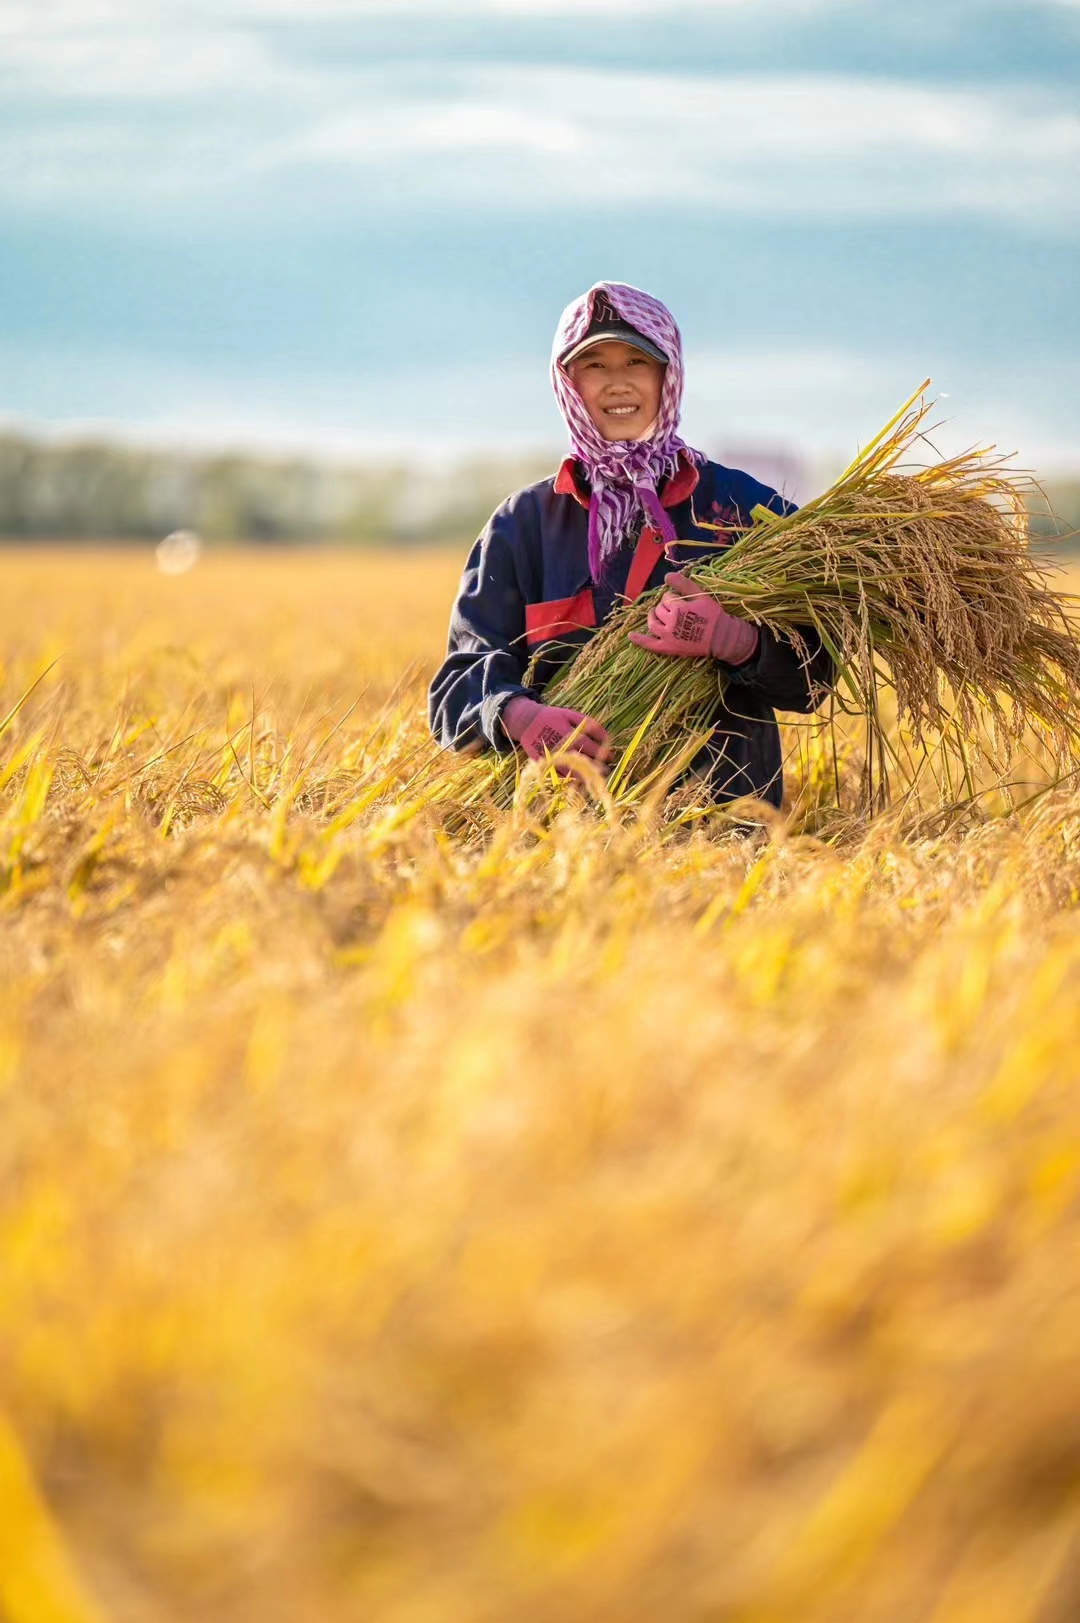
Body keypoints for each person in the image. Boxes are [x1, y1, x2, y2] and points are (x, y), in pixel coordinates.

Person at [428, 281, 832, 807]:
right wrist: (518, 715)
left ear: (669, 376)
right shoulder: (523, 524)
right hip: (559, 831)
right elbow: (455, 687)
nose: (618, 384)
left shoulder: (743, 510)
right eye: (594, 365)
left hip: (724, 824)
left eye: (637, 362)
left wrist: (737, 642)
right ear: (567, 383)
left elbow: (815, 679)